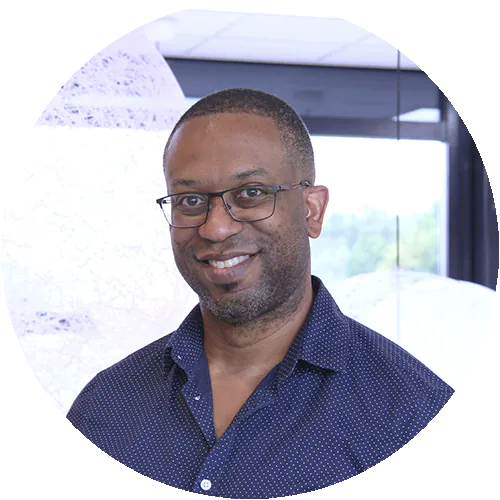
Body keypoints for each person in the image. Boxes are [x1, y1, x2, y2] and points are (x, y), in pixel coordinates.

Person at [67, 88, 455, 498]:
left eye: (251, 193)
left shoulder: (414, 417)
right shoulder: (104, 407)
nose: (216, 228)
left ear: (312, 210)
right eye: (191, 200)